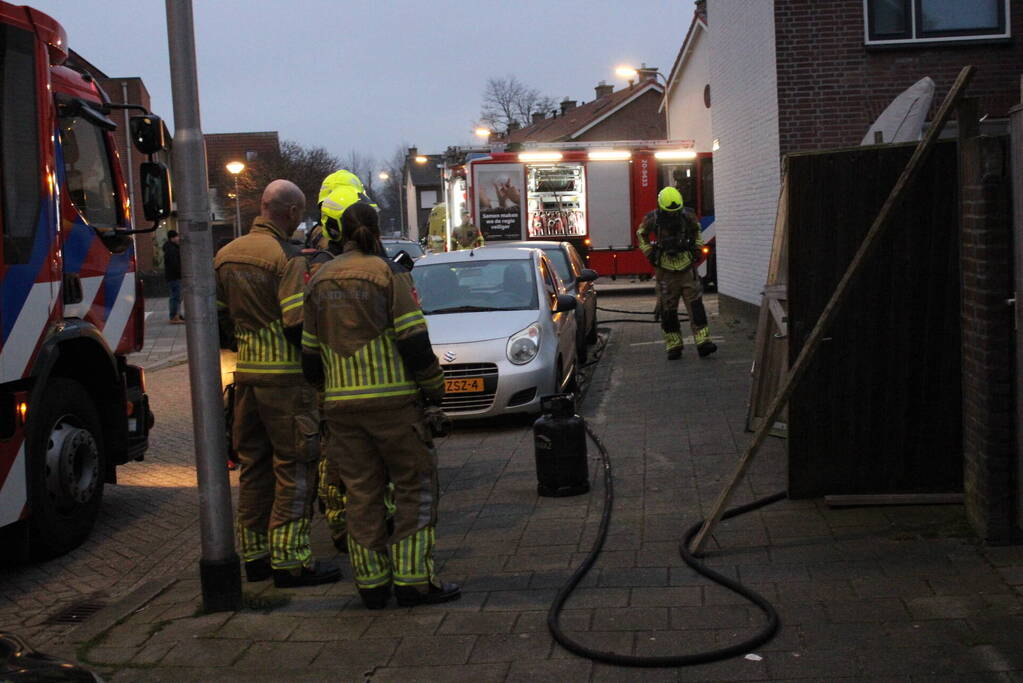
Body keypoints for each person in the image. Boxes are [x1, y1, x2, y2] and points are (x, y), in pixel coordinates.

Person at [302, 201, 459, 610]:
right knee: (415, 488)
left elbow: (310, 355)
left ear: (338, 234)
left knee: (360, 494)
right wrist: (434, 390)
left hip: (341, 410)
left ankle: (371, 586)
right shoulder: (388, 273)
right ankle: (413, 582)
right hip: (393, 405)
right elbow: (412, 339)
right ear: (374, 229)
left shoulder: (318, 278)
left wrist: (327, 395)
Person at [214, 179, 341, 588]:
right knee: (295, 468)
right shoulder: (288, 258)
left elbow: (218, 319)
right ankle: (291, 560)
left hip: (246, 379)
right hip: (286, 383)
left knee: (254, 468)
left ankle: (255, 557)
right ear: (288, 214)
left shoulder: (226, 255)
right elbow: (296, 325)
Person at [637, 187, 717, 360]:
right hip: (665, 270)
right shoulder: (653, 219)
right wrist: (650, 252)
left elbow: (697, 232)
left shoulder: (687, 216)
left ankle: (703, 342)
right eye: (669, 212)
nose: (673, 216)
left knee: (696, 306)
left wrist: (696, 251)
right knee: (668, 310)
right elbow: (641, 234)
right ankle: (674, 345)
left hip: (686, 266)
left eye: (676, 212)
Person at [163, 230, 183, 324]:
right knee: (175, 296)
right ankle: (174, 316)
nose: (178, 238)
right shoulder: (171, 249)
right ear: (172, 238)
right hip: (174, 277)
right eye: (176, 236)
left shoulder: (171, 247)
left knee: (176, 296)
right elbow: (174, 264)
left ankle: (176, 315)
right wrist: (180, 272)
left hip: (173, 276)